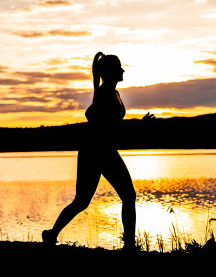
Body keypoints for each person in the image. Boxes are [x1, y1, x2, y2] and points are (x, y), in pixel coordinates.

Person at [42, 52, 155, 251]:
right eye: (119, 67)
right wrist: (138, 126)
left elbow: (112, 125)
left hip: (103, 150)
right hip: (96, 152)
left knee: (88, 201)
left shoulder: (114, 93)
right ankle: (129, 246)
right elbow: (103, 123)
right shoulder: (104, 94)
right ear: (110, 71)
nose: (123, 70)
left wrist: (137, 125)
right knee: (118, 197)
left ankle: (51, 234)